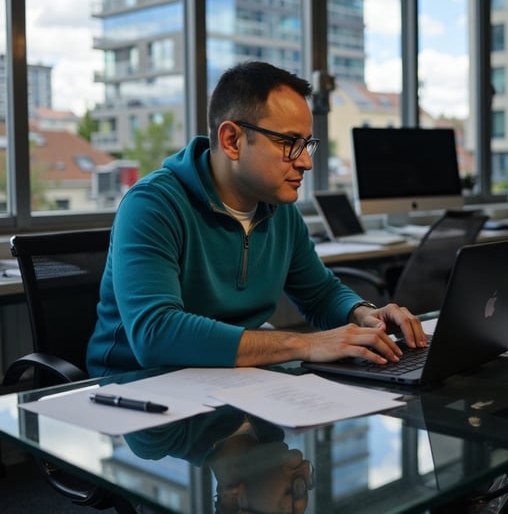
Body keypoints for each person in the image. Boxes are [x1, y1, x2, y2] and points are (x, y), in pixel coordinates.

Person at [86, 60, 427, 377]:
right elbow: (156, 336)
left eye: (307, 145)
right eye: (290, 143)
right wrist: (304, 343)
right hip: (138, 394)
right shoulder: (153, 205)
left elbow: (319, 293)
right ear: (232, 140)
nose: (306, 162)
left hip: (234, 383)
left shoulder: (279, 210)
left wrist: (364, 314)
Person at [126, 407, 314, 514]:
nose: (306, 467)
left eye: (294, 489)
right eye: (306, 485)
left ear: (232, 502)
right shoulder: (278, 420)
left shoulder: (158, 437)